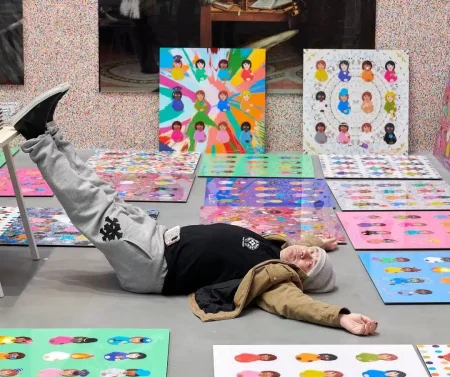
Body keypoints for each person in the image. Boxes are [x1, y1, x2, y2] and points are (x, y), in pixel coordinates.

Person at [9, 84, 379, 337]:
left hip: (152, 262)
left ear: (298, 276)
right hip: (157, 239)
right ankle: (50, 132)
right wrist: (320, 244)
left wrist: (340, 318)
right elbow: (300, 246)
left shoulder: (272, 278)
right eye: (310, 253)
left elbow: (295, 305)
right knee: (101, 191)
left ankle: (34, 137)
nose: (304, 254)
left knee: (90, 206)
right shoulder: (274, 247)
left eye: (308, 264)